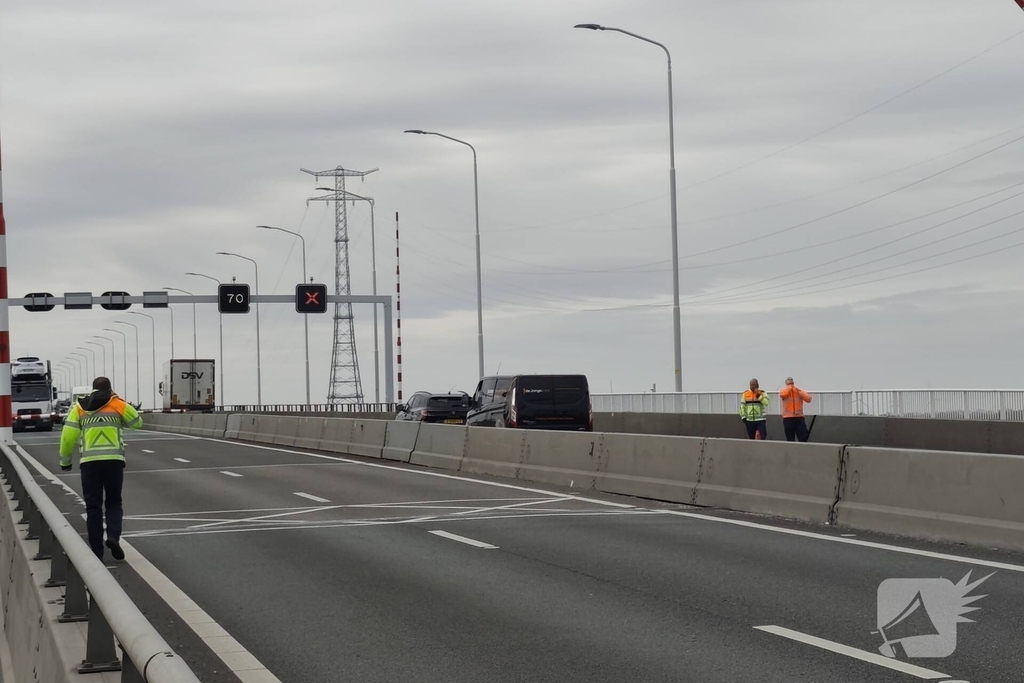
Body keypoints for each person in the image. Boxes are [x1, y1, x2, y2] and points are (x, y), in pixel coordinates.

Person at [59, 377, 142, 561]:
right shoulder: (116, 404)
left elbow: (68, 436)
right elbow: (137, 423)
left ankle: (97, 552)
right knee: (113, 502)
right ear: (110, 389)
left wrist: (65, 461)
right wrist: (120, 402)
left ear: (92, 390)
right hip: (114, 461)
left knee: (93, 507)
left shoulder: (79, 407)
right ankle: (113, 537)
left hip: (89, 463)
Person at [779, 377, 812, 443]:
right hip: (788, 418)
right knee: (790, 438)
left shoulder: (798, 391)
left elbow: (808, 399)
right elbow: (783, 395)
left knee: (804, 437)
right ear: (786, 383)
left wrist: (797, 390)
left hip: (799, 418)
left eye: (791, 379)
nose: (790, 380)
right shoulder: (783, 390)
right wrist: (789, 387)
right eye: (789, 379)